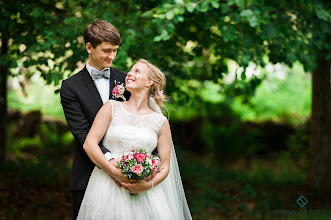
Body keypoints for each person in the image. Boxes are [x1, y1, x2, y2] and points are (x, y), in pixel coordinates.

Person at [77, 59, 192, 219]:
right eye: (130, 71)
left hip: (145, 193)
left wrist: (146, 185)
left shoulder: (160, 122)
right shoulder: (111, 107)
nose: (129, 73)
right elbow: (90, 144)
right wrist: (114, 172)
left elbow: (165, 166)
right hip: (106, 185)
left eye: (137, 71)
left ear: (149, 81)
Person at [60, 19, 131, 219]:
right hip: (88, 174)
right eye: (107, 50)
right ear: (89, 47)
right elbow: (81, 133)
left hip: (129, 172)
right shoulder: (71, 87)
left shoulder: (127, 80)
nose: (113, 56)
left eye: (115, 50)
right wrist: (110, 162)